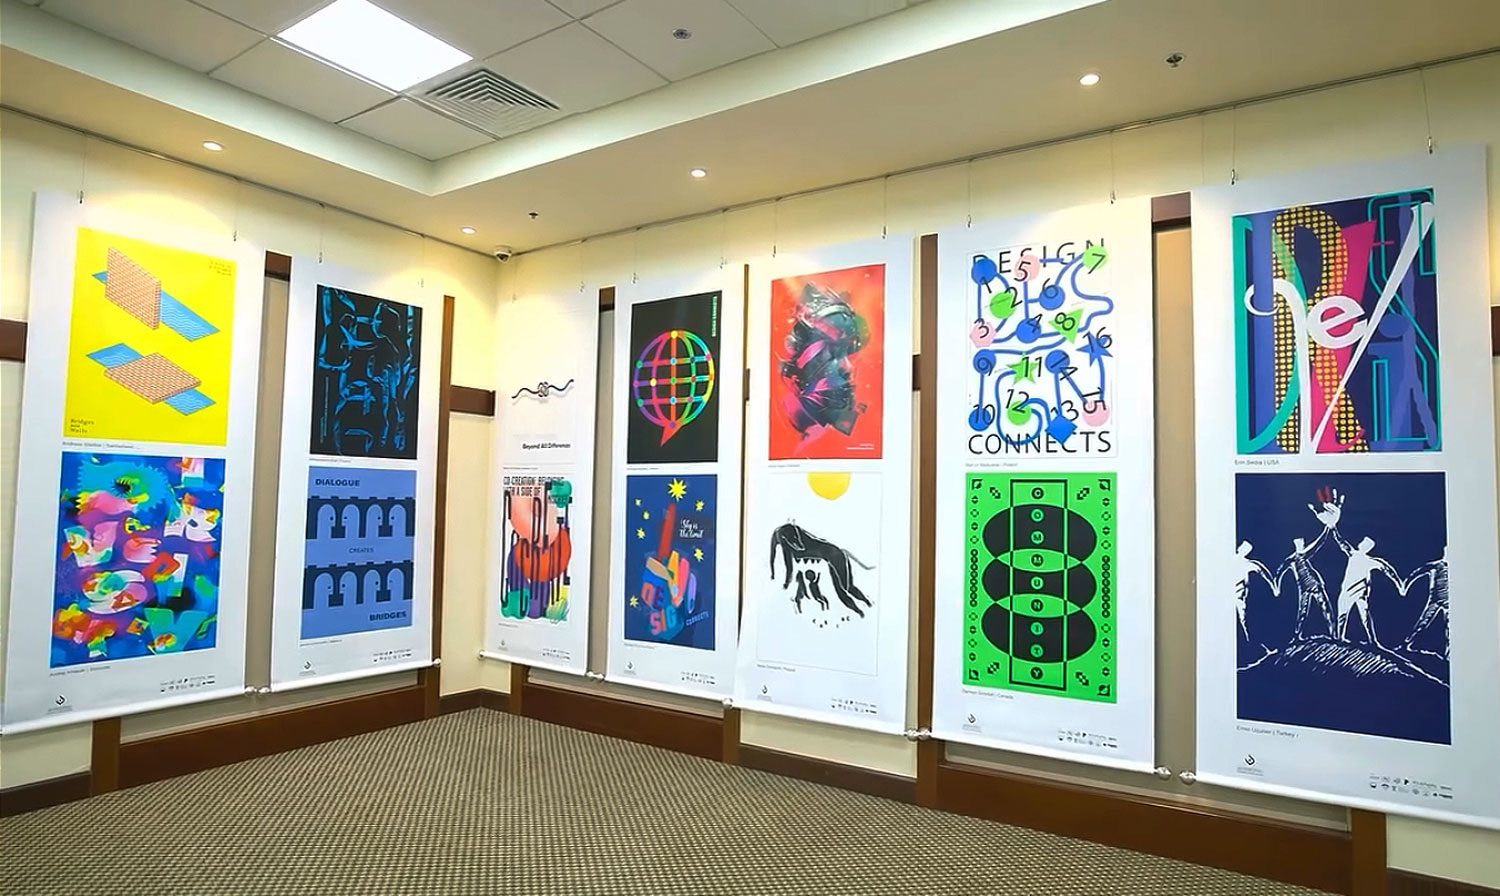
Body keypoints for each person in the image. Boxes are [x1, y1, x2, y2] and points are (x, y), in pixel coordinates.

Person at [1401, 546, 1449, 657]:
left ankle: (1448, 653)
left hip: (1447, 602)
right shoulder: (1436, 565)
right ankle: (1407, 644)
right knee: (1423, 622)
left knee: (1448, 627)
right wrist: (1405, 584)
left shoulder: (1453, 568)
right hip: (1435, 600)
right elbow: (1418, 572)